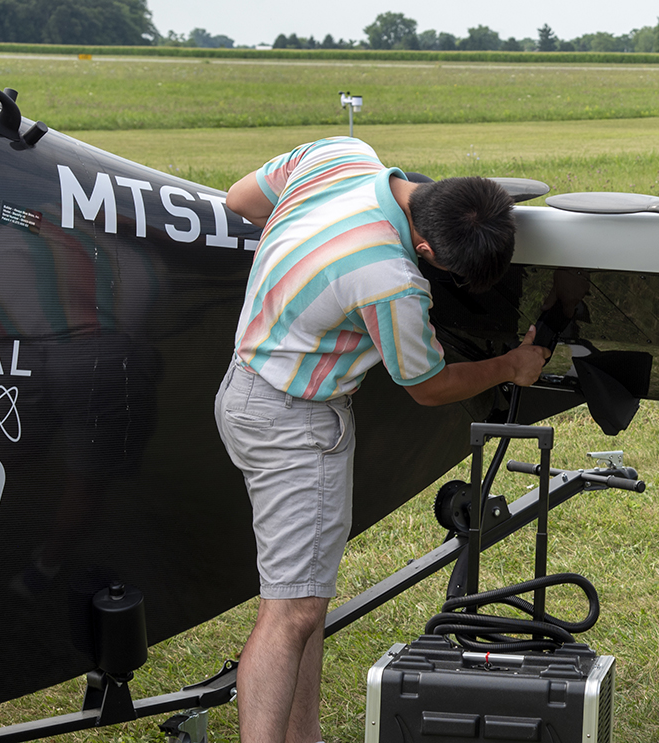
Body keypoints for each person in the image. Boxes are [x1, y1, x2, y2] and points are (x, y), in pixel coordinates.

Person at [215, 136, 551, 743]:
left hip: (244, 389)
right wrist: (511, 364)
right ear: (425, 246)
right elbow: (428, 385)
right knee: (291, 613)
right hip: (294, 424)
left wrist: (304, 258)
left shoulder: (338, 154)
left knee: (305, 601)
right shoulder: (391, 280)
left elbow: (241, 200)